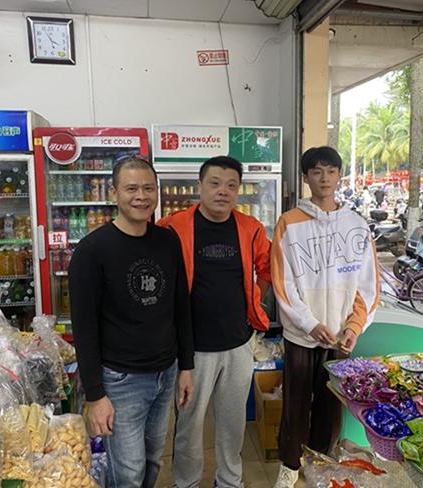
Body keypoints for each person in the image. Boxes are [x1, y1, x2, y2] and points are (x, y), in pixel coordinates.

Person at [69, 157, 194, 488]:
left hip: (165, 373)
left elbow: (180, 306)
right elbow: (84, 328)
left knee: (153, 459)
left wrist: (186, 366)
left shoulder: (167, 241)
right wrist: (95, 395)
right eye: (131, 189)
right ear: (114, 193)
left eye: (149, 188)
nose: (141, 196)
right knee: (128, 472)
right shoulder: (92, 251)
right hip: (121, 380)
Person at [158, 156, 271, 488]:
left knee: (232, 423)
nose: (223, 191)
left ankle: (229, 481)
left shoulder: (250, 228)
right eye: (215, 183)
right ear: (200, 186)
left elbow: (267, 268)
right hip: (192, 350)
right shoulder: (172, 227)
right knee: (189, 425)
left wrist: (255, 300)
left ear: (238, 190)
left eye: (231, 185)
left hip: (239, 343)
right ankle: (187, 482)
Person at [271, 146, 380, 487]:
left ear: (339, 175)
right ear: (306, 177)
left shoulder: (357, 225)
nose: (324, 178)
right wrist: (309, 323)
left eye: (331, 171)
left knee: (331, 406)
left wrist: (354, 326)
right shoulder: (289, 223)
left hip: (339, 337)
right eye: (317, 171)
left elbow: (367, 284)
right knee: (295, 404)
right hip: (302, 335)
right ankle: (289, 467)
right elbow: (283, 283)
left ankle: (320, 464)